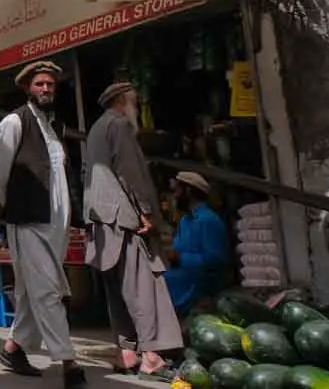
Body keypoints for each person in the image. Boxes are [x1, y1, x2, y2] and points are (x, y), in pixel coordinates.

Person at [0, 60, 84, 388]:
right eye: (39, 84)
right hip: (28, 221)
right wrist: (13, 206)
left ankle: (13, 348)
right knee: (49, 291)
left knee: (34, 290)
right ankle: (69, 362)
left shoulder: (56, 127)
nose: (46, 89)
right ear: (27, 88)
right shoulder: (14, 123)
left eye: (50, 85)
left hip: (55, 225)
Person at [84, 82, 182, 377]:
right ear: (122, 102)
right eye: (135, 103)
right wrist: (146, 212)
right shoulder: (120, 126)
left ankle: (127, 353)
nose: (137, 108)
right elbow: (130, 173)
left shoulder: (97, 129)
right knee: (143, 287)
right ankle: (152, 356)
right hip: (123, 218)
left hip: (101, 219)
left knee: (119, 289)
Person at [165, 171, 228, 315]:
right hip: (182, 278)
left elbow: (215, 260)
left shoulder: (208, 220)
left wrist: (180, 258)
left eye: (177, 191)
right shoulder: (185, 221)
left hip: (199, 285)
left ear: (188, 191)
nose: (174, 196)